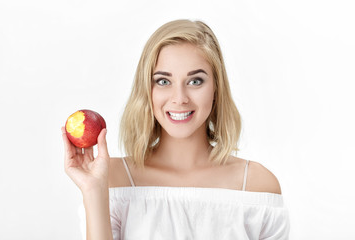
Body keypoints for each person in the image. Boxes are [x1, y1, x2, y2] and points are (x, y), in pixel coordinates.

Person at [61, 19, 290, 240]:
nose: (179, 98)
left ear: (216, 88)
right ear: (147, 90)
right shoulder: (114, 178)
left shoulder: (257, 186)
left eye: (195, 81)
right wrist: (93, 190)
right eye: (163, 81)